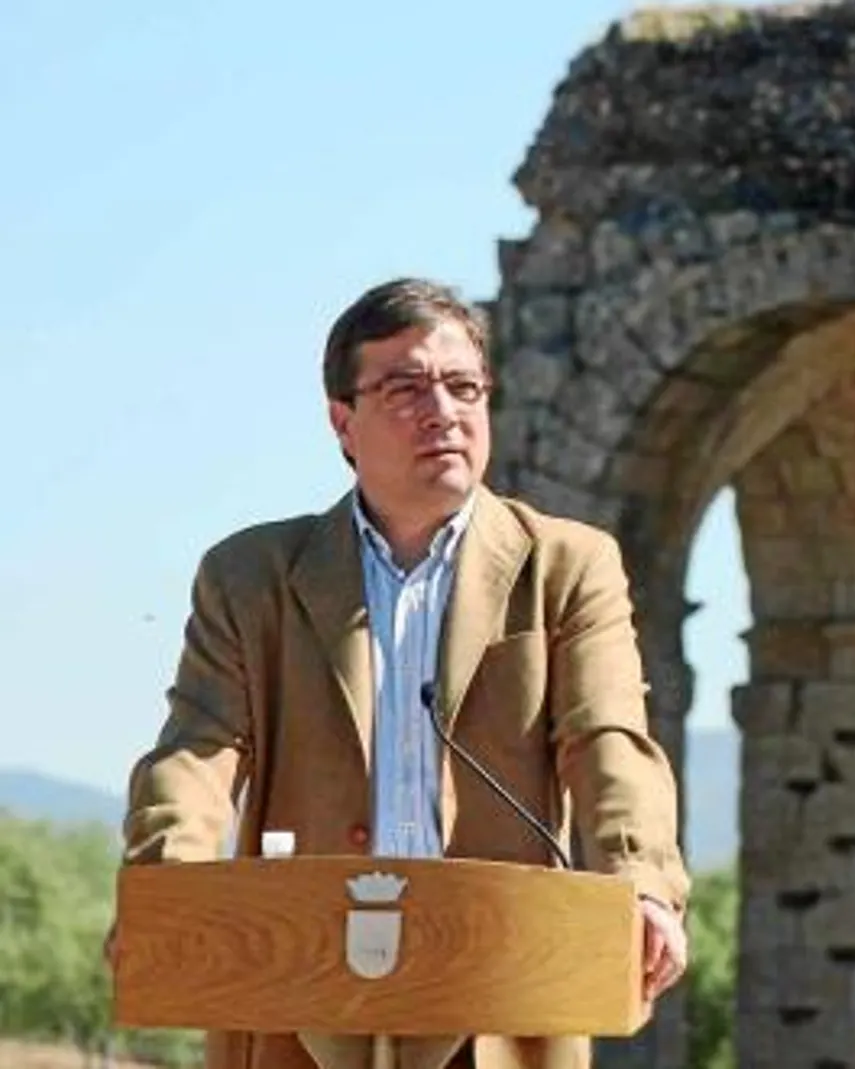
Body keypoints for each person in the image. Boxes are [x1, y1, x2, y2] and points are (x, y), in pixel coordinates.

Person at [107, 278, 691, 1069]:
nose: (443, 410)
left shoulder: (566, 565)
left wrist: (642, 879)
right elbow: (198, 750)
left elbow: (607, 740)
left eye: (463, 387)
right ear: (342, 421)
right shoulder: (251, 575)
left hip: (499, 995)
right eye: (406, 387)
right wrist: (166, 894)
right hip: (299, 993)